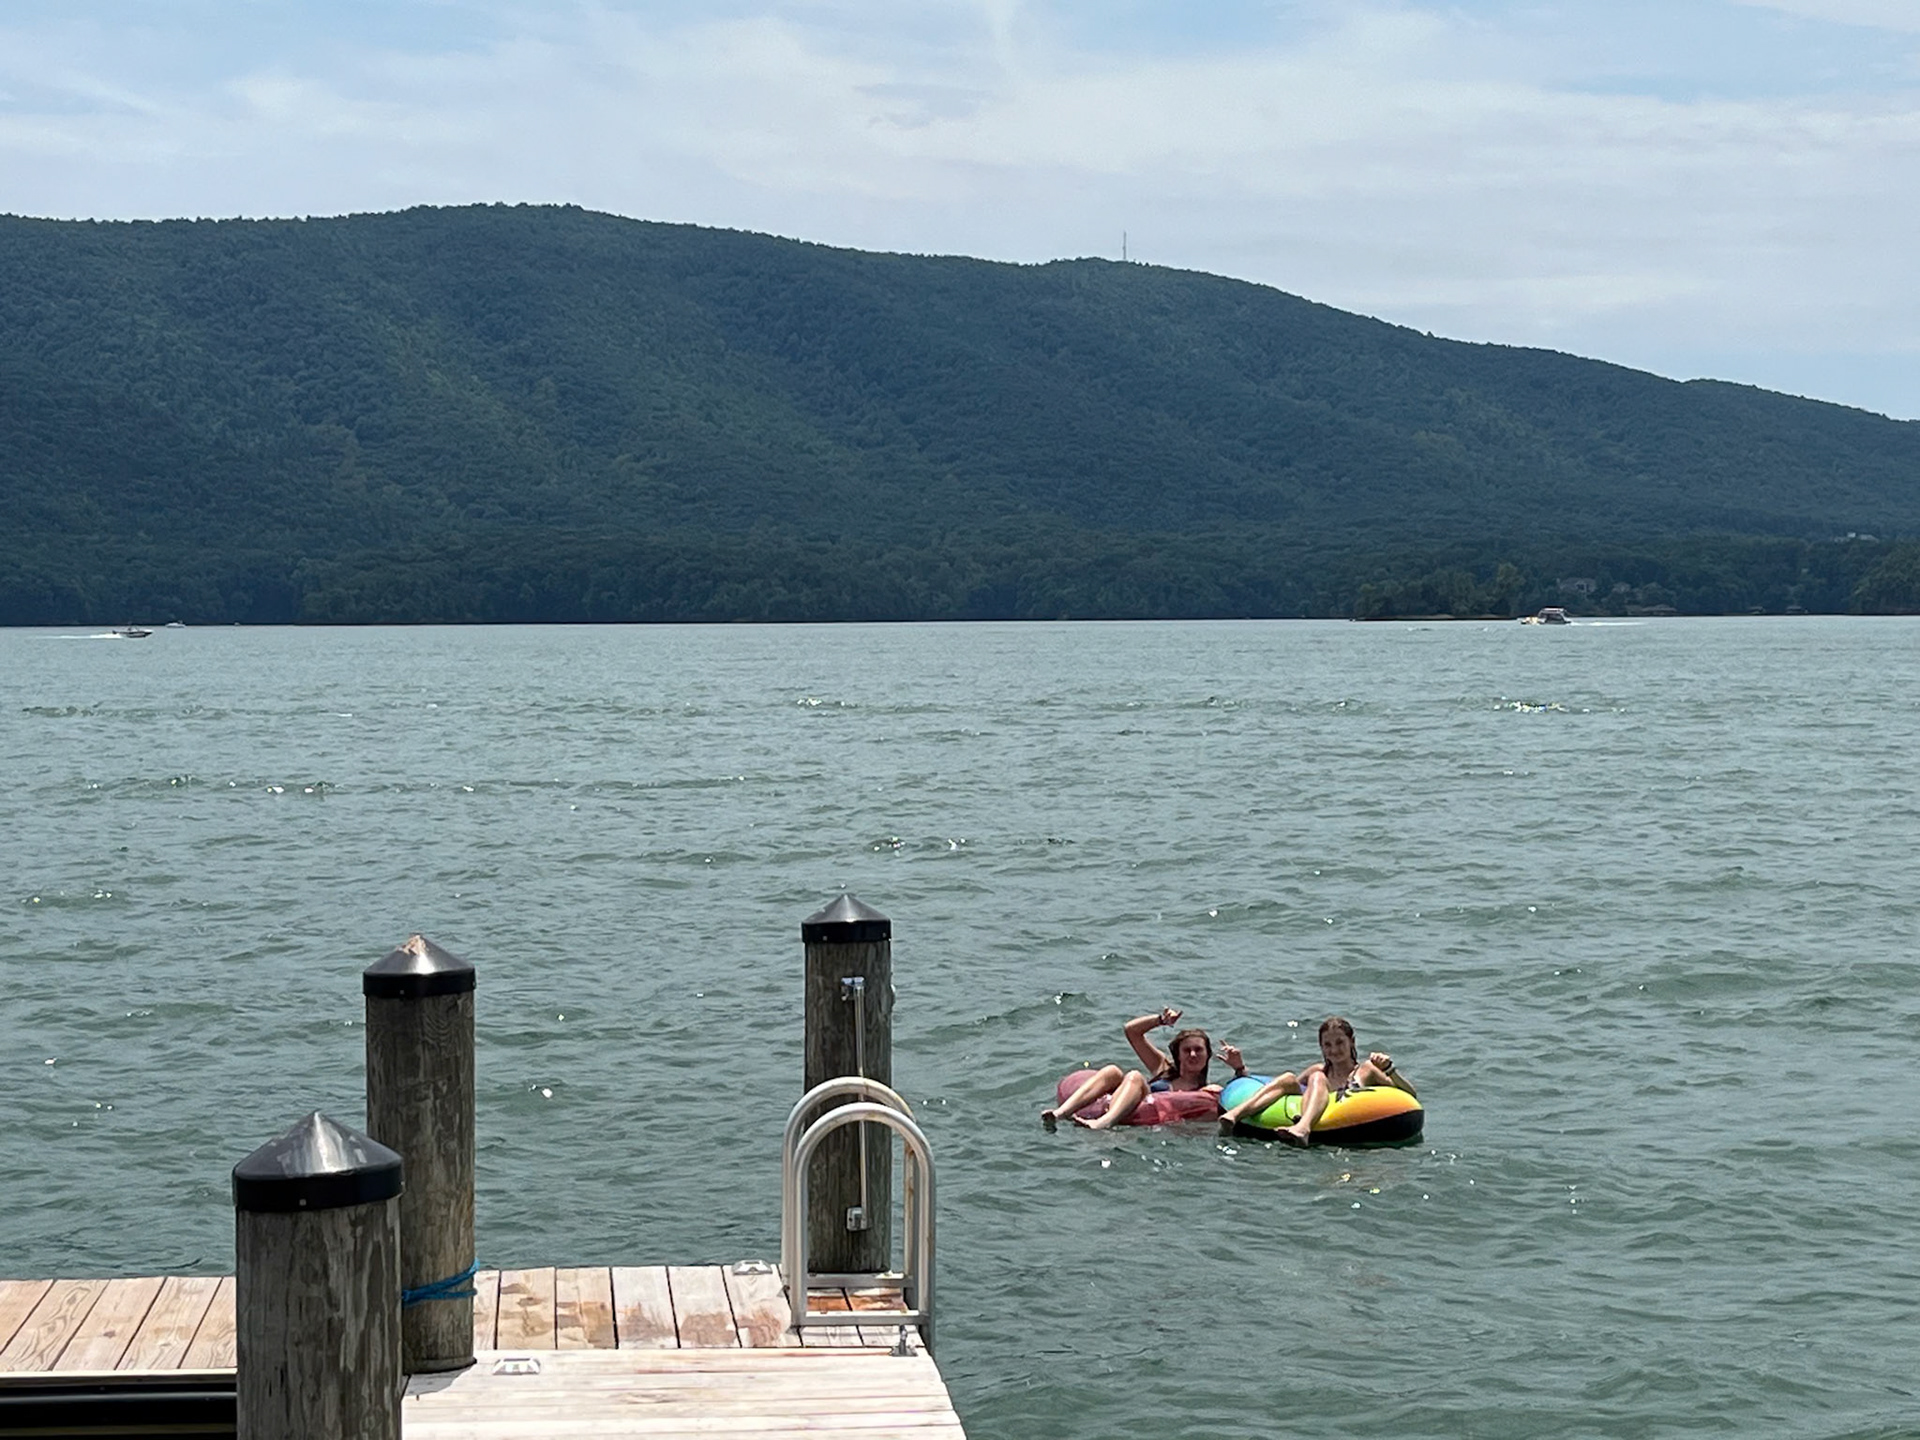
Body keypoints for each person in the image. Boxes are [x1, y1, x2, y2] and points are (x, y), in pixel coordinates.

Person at [1218, 1015, 1415, 1144]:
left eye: (1340, 1042)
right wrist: (1240, 1071)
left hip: (1348, 1126)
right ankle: (1235, 1115)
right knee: (1290, 1077)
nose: (1334, 1050)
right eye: (1327, 1045)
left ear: (1352, 1042)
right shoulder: (1318, 1069)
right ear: (1321, 1048)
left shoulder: (1365, 1071)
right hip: (1313, 1115)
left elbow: (1409, 1095)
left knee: (1317, 1077)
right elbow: (1287, 1089)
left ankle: (1303, 1128)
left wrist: (1390, 1069)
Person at [1043, 1006, 1246, 1130]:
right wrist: (1160, 1020)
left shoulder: (1206, 1092)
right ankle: (1061, 1113)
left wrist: (1239, 1069)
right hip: (1116, 1101)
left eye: (1198, 1050)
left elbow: (1243, 1101)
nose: (1193, 1055)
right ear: (1178, 1055)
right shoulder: (1163, 1069)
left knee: (1134, 1076)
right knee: (1113, 1071)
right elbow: (1131, 1031)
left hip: (1137, 1117)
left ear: (1208, 1055)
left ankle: (1105, 1122)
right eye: (1187, 1050)